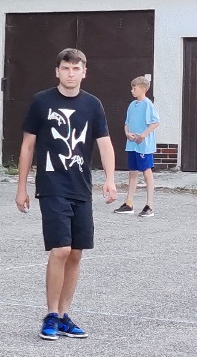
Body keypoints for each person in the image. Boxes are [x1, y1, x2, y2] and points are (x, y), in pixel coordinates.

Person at [15, 48, 117, 340]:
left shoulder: (93, 105)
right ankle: (50, 313)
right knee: (60, 249)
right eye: (66, 68)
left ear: (84, 72)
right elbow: (27, 146)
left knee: (76, 253)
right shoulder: (41, 101)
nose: (70, 74)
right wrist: (22, 187)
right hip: (52, 186)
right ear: (57, 71)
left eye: (76, 69)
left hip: (81, 186)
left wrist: (110, 180)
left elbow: (105, 144)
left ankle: (63, 315)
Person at [114, 75, 160, 218]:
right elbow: (127, 123)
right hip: (132, 145)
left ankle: (149, 205)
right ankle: (129, 203)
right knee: (132, 172)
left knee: (147, 172)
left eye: (134, 88)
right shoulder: (132, 105)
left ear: (143, 89)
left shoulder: (148, 104)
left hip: (143, 146)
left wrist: (143, 135)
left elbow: (155, 122)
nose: (132, 90)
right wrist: (127, 133)